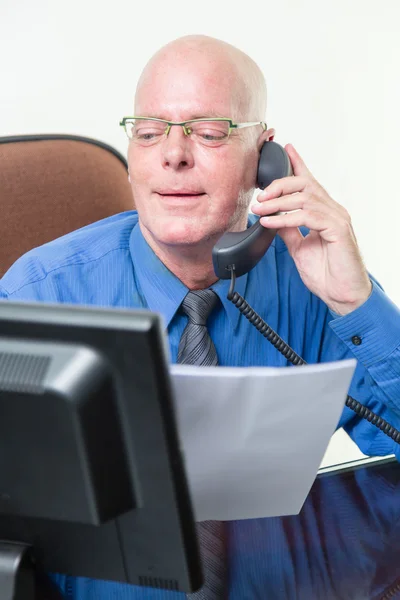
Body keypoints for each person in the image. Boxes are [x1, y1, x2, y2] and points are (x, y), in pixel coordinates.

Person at [1, 34, 400, 599]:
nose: (173, 154)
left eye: (208, 132)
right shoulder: (39, 292)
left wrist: (354, 301)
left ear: (266, 158)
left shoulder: (314, 280)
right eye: (148, 132)